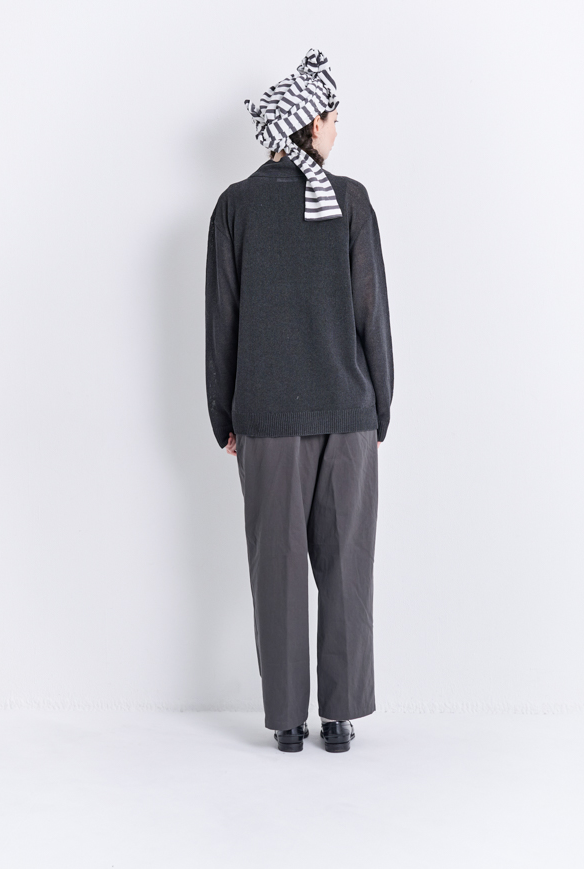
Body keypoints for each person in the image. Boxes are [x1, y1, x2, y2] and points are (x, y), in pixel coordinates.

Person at [205, 50, 393, 754]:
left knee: (277, 567)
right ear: (311, 124)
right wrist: (382, 406)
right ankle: (340, 718)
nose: (338, 131)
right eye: (334, 119)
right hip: (347, 414)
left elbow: (220, 322)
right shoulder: (351, 202)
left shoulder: (235, 206)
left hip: (266, 420)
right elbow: (373, 314)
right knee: (346, 567)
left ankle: (287, 720)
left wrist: (224, 415)